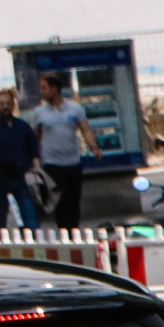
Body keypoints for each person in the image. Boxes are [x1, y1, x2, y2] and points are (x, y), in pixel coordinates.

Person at [29, 73, 99, 228]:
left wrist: (94, 147)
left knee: (74, 199)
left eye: (44, 88)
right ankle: (64, 231)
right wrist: (34, 157)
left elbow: (85, 129)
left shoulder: (75, 109)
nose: (41, 91)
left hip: (72, 161)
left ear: (54, 89)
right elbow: (35, 136)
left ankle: (74, 229)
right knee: (60, 198)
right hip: (52, 162)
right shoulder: (40, 112)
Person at [0, 89, 40, 228]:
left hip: (20, 176)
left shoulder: (22, 126)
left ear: (13, 104)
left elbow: (34, 150)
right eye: (2, 103)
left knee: (28, 211)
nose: (5, 106)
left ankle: (35, 240)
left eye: (8, 103)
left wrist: (36, 172)